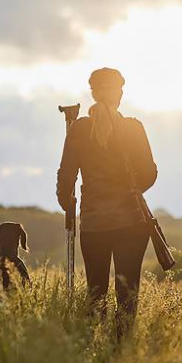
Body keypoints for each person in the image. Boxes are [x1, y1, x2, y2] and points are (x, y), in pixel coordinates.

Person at [56, 67, 158, 337]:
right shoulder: (133, 127)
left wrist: (69, 205)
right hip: (131, 222)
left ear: (93, 92)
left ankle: (92, 343)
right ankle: (120, 348)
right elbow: (150, 174)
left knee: (96, 290)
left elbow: (65, 176)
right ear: (119, 93)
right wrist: (130, 191)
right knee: (127, 293)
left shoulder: (78, 128)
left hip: (93, 223)